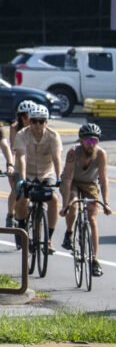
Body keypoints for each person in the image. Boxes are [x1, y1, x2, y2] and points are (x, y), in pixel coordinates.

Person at [58, 123, 112, 276]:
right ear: (81, 141)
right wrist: (65, 205)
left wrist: (106, 203)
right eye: (88, 141)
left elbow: (103, 179)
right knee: (73, 206)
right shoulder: (73, 152)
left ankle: (94, 260)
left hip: (90, 184)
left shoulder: (101, 154)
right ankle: (69, 233)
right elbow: (67, 178)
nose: (91, 144)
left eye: (94, 141)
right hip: (73, 181)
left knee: (93, 216)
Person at [12, 103, 62, 252]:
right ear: (30, 121)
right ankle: (21, 225)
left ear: (46, 122)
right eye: (34, 121)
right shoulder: (22, 134)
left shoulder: (53, 136)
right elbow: (21, 157)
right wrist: (22, 179)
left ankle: (48, 240)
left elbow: (56, 157)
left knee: (53, 199)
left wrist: (59, 178)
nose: (37, 125)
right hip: (26, 172)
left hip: (46, 173)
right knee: (23, 199)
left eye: (41, 121)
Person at [5, 100, 33, 228]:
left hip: (32, 163)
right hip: (17, 162)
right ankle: (10, 215)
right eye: (23, 116)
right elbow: (13, 148)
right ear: (20, 116)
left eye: (29, 116)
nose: (26, 119)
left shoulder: (37, 126)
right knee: (16, 191)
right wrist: (10, 165)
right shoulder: (14, 127)